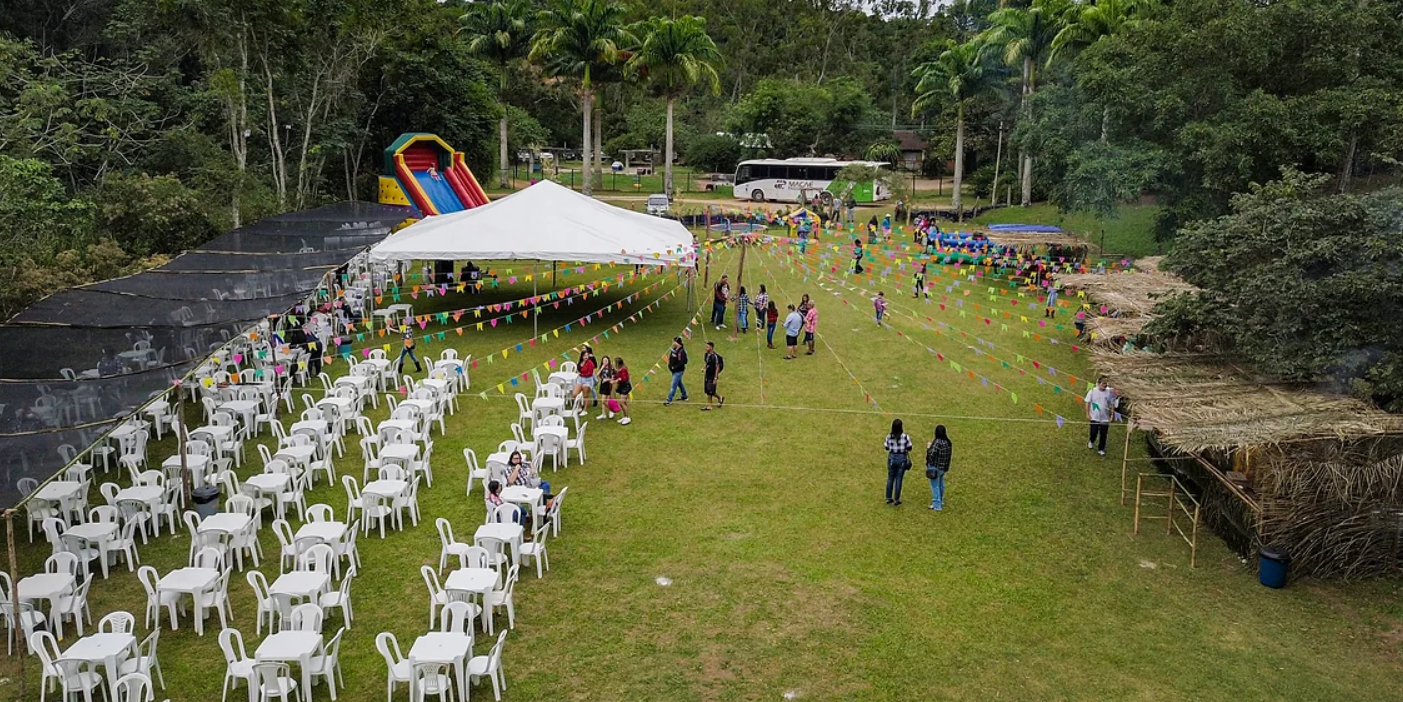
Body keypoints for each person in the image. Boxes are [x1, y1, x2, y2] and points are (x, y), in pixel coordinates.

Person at [883, 418, 913, 505]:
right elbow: (910, 447)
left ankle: (888, 498)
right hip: (902, 458)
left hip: (892, 457)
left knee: (890, 478)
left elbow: (886, 447)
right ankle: (896, 499)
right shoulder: (905, 436)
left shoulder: (889, 436)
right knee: (899, 479)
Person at [1085, 377, 1117, 456]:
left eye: (1106, 383)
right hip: (1094, 416)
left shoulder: (1109, 392)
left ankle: (1101, 449)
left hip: (1105, 418)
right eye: (1103, 383)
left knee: (1103, 434)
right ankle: (1091, 441)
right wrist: (1087, 413)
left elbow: (1112, 403)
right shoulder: (1092, 391)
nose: (1105, 385)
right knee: (1093, 432)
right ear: (1098, 383)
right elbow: (1087, 403)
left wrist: (1112, 414)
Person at [925, 425, 953, 510]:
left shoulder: (937, 442)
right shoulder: (948, 442)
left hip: (935, 467)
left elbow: (931, 455)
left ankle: (937, 505)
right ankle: (940, 500)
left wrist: (929, 447)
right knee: (941, 484)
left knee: (935, 486)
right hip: (943, 467)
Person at [664, 336, 689, 406]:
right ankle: (684, 396)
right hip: (673, 370)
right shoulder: (674, 349)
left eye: (674, 341)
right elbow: (671, 358)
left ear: (677, 342)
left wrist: (674, 366)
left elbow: (684, 362)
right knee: (679, 383)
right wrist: (669, 363)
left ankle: (669, 400)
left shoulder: (682, 352)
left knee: (673, 385)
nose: (673, 343)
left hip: (679, 371)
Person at [701, 341, 725, 411]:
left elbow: (717, 367)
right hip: (707, 374)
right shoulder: (706, 355)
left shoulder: (715, 356)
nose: (706, 348)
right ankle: (714, 401)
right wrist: (704, 368)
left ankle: (713, 402)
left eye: (707, 347)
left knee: (710, 390)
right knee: (708, 390)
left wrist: (715, 378)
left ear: (711, 347)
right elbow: (707, 363)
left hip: (712, 375)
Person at [613, 357, 632, 425]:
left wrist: (617, 380)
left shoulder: (623, 369)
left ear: (618, 364)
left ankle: (627, 417)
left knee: (622, 402)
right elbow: (616, 376)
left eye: (614, 362)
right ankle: (625, 416)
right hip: (621, 386)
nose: (613, 363)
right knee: (623, 403)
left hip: (625, 387)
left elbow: (623, 379)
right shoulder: (618, 369)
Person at [595, 356, 615, 420]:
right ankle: (603, 414)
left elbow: (614, 377)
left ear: (608, 361)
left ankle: (611, 410)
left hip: (609, 384)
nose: (605, 362)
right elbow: (597, 375)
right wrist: (602, 368)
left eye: (606, 360)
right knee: (603, 400)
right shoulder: (602, 367)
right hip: (603, 384)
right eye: (604, 360)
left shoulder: (611, 368)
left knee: (608, 399)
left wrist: (607, 379)